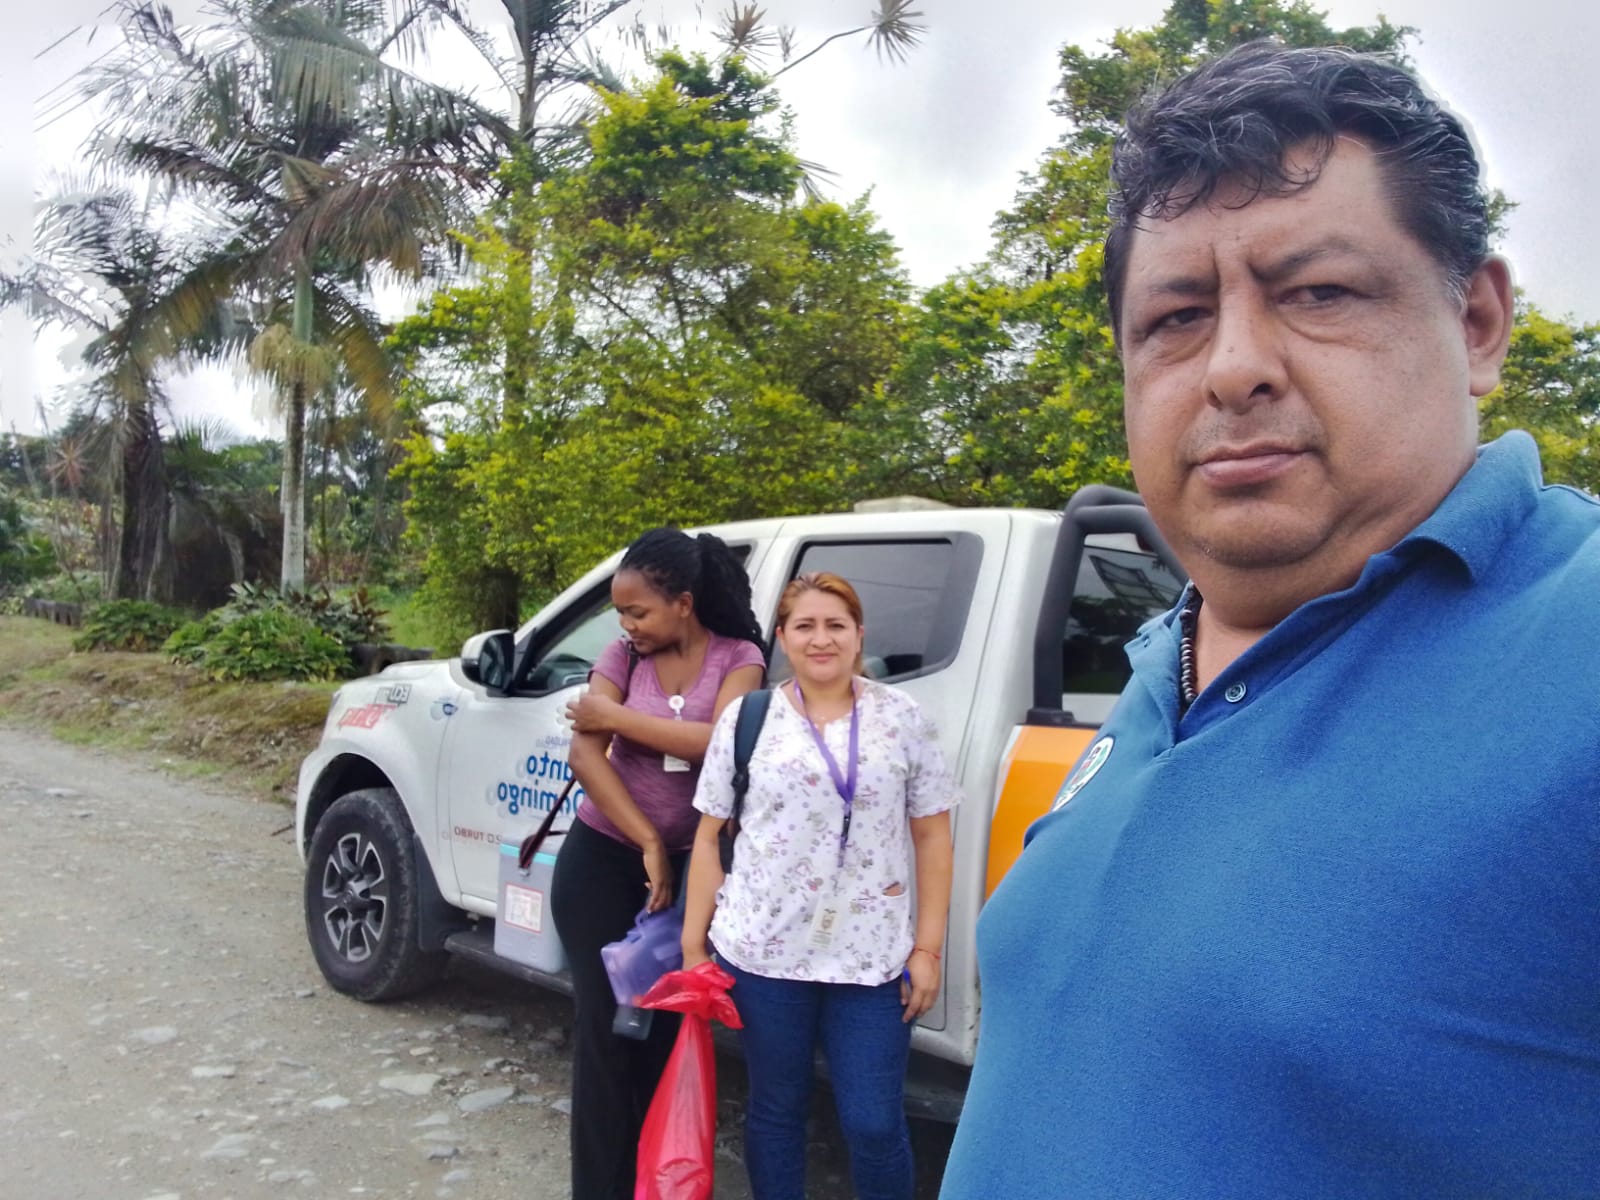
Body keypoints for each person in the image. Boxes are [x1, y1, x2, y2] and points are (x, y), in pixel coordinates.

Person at [941, 40, 1600, 1199]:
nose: (1231, 367)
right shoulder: (1161, 664)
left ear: (1478, 321)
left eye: (1317, 293)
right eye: (1175, 317)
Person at [683, 571, 958, 1200]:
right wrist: (694, 948)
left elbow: (932, 837)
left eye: (836, 625)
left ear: (859, 635)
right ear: (783, 637)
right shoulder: (747, 719)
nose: (821, 638)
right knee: (776, 1110)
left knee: (874, 1122)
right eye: (804, 625)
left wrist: (928, 948)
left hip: (871, 959)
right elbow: (708, 837)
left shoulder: (902, 719)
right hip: (763, 955)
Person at [550, 526, 766, 1200]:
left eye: (638, 611)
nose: (627, 625)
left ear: (684, 603)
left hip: (692, 873)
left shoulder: (739, 658)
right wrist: (645, 839)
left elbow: (720, 742)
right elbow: (584, 753)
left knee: (664, 1038)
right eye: (621, 612)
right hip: (602, 862)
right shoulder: (621, 655)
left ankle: (655, 1187)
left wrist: (613, 718)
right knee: (604, 1039)